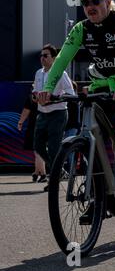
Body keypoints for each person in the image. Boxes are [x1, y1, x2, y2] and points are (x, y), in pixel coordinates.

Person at [37, 0, 115, 191]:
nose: (90, 6)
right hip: (103, 84)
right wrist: (48, 88)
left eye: (95, 2)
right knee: (94, 134)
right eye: (85, 2)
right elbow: (62, 59)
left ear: (108, 2)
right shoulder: (81, 28)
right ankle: (99, 194)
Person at [33, 44, 75, 181]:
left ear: (54, 58)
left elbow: (71, 93)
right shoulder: (39, 73)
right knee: (37, 145)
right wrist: (34, 96)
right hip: (42, 113)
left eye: (46, 55)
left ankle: (55, 177)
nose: (42, 58)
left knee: (53, 147)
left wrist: (53, 98)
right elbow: (35, 90)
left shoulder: (61, 73)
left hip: (58, 113)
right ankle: (59, 170)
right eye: (41, 55)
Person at [17, 93, 47, 182]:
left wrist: (20, 122)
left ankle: (43, 174)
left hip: (35, 127)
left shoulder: (32, 97)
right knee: (38, 150)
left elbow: (26, 110)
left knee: (38, 151)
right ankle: (36, 172)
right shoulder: (47, 95)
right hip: (46, 125)